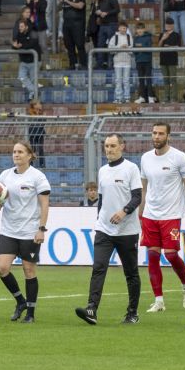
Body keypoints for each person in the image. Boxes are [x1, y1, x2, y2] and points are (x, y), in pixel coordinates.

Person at [75, 134, 142, 325]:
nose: (109, 149)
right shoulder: (103, 170)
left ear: (122, 146)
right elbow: (102, 200)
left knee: (131, 272)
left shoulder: (131, 168)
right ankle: (91, 309)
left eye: (113, 146)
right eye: (106, 146)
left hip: (127, 230)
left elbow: (137, 197)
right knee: (98, 267)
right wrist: (99, 219)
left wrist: (124, 211)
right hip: (104, 229)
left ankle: (132, 313)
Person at [0, 142, 50, 323]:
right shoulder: (5, 175)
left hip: (29, 231)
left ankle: (30, 313)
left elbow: (45, 203)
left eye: (20, 152)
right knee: (2, 268)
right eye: (14, 151)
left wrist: (41, 229)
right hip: (8, 230)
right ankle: (20, 301)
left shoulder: (38, 177)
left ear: (30, 155)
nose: (16, 155)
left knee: (29, 270)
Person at [139, 122, 185, 312]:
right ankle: (159, 301)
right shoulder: (145, 158)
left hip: (171, 214)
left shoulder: (179, 157)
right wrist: (141, 211)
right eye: (154, 133)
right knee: (152, 255)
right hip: (150, 215)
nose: (156, 137)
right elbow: (144, 188)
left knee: (170, 255)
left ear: (168, 136)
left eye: (160, 133)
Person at [11, 19, 40, 102]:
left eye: (21, 26)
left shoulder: (32, 33)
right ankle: (34, 91)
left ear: (26, 27)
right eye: (19, 27)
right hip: (24, 61)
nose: (20, 28)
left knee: (33, 80)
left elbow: (31, 44)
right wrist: (15, 46)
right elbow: (15, 46)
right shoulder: (18, 35)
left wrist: (21, 46)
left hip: (33, 61)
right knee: (21, 77)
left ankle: (32, 97)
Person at [59, 0, 87, 70]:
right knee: (69, 45)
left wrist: (68, 1)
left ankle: (83, 64)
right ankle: (72, 64)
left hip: (77, 25)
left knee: (79, 45)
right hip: (67, 25)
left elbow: (80, 6)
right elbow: (60, 9)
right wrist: (61, 2)